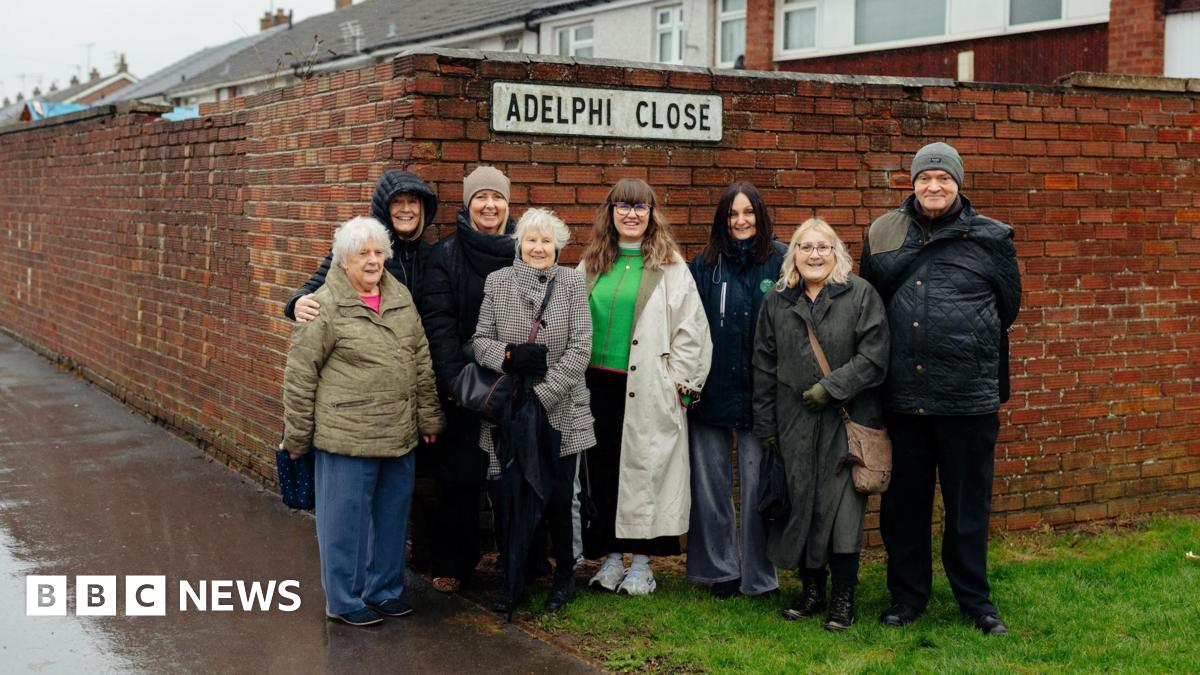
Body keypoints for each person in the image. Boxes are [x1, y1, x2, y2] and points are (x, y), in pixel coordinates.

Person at [860, 142, 1021, 636]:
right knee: (904, 508)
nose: (934, 186)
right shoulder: (883, 232)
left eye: (943, 178)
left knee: (968, 509)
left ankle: (976, 601)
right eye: (925, 178)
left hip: (968, 400)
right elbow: (869, 305)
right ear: (912, 183)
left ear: (958, 183)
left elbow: (1008, 308)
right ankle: (907, 597)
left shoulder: (993, 237)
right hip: (904, 399)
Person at [282, 216, 444, 627]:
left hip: (399, 432)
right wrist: (297, 437)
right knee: (345, 524)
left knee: (392, 518)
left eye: (378, 252)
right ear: (343, 261)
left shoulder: (400, 297)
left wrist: (428, 417)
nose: (372, 261)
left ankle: (383, 591)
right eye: (362, 254)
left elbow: (421, 359)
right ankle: (343, 599)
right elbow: (300, 375)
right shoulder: (322, 305)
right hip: (346, 435)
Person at [752, 217, 889, 631]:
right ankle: (812, 591)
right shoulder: (777, 300)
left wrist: (830, 389)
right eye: (806, 247)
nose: (815, 255)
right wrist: (767, 425)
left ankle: (844, 598)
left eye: (823, 247)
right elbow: (763, 365)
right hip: (793, 423)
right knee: (803, 507)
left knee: (844, 513)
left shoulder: (860, 294)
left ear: (837, 253)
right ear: (793, 253)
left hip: (846, 423)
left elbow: (874, 356)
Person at [579, 178, 712, 596]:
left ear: (652, 214)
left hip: (648, 387)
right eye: (623, 206)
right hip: (596, 386)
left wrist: (681, 385)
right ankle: (612, 559)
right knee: (605, 474)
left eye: (640, 207)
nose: (631, 214)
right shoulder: (593, 261)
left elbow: (692, 329)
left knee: (645, 475)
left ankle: (642, 564)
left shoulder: (670, 265)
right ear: (610, 212)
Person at [472, 207, 594, 613]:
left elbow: (581, 347)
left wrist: (544, 394)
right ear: (519, 244)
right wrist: (509, 356)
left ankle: (565, 579)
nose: (538, 247)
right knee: (510, 494)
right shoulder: (498, 282)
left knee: (559, 498)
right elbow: (480, 341)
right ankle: (515, 579)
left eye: (546, 241)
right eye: (531, 240)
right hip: (509, 410)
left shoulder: (572, 283)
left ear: (557, 246)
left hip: (561, 411)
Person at [686, 182, 786, 599]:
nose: (741, 221)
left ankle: (759, 576)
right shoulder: (703, 265)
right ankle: (720, 570)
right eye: (732, 214)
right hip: (711, 391)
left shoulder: (782, 261)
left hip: (763, 394)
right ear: (721, 220)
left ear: (760, 216)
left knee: (758, 484)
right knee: (711, 484)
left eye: (748, 213)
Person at [422, 166, 518, 593]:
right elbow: (438, 323)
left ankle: (524, 562)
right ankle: (453, 562)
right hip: (464, 383)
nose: (489, 205)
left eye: (497, 198)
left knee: (517, 475)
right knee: (459, 477)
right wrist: (453, 379)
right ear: (467, 204)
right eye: (481, 197)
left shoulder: (525, 248)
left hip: (514, 380)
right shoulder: (446, 255)